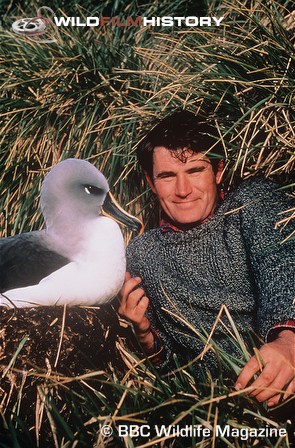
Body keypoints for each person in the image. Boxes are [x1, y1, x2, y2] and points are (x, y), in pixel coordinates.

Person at [119, 110, 295, 409]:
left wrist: (288, 341)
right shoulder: (141, 254)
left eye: (195, 171)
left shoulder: (254, 202)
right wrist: (146, 336)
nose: (183, 190)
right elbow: (169, 365)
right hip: (213, 407)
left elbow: (281, 266)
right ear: (151, 181)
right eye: (167, 176)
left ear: (218, 171)